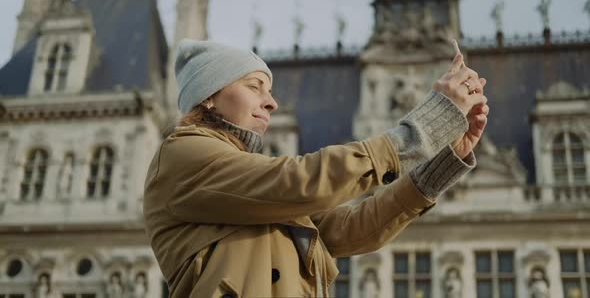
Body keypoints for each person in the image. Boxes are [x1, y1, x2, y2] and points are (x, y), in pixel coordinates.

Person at [143, 39, 489, 297]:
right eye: (254, 86)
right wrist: (423, 131)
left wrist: (439, 166)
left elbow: (351, 228)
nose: (272, 101)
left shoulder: (247, 179)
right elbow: (300, 182)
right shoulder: (184, 155)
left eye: (271, 90)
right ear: (209, 96)